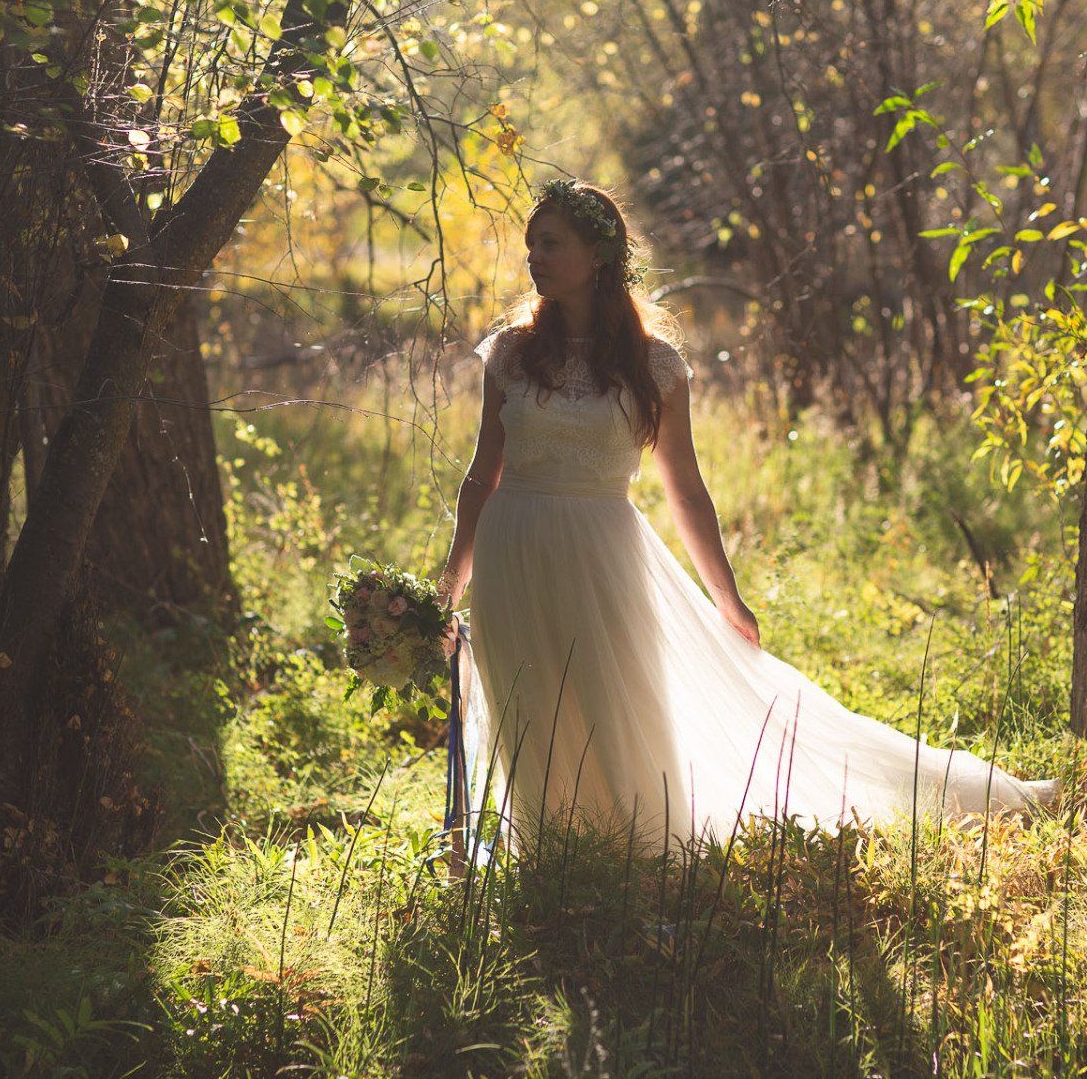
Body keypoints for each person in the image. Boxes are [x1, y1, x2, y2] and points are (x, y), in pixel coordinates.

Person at [435, 177, 1055, 865]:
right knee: (534, 707)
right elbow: (482, 472)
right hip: (512, 550)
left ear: (599, 255)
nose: (534, 258)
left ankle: (636, 852)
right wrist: (451, 580)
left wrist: (727, 596)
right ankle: (553, 858)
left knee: (615, 705)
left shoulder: (654, 365)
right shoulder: (511, 353)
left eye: (550, 244)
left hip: (603, 552)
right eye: (531, 245)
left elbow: (687, 491)